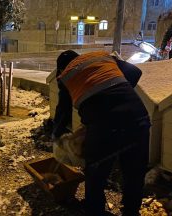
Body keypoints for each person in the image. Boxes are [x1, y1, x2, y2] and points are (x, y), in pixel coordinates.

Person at [52, 50, 151, 216]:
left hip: (105, 126)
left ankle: (95, 209)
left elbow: (63, 111)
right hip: (138, 118)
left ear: (61, 69)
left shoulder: (66, 76)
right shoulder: (101, 57)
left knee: (95, 172)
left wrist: (56, 136)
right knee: (134, 172)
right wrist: (119, 96)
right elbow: (135, 72)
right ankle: (131, 211)